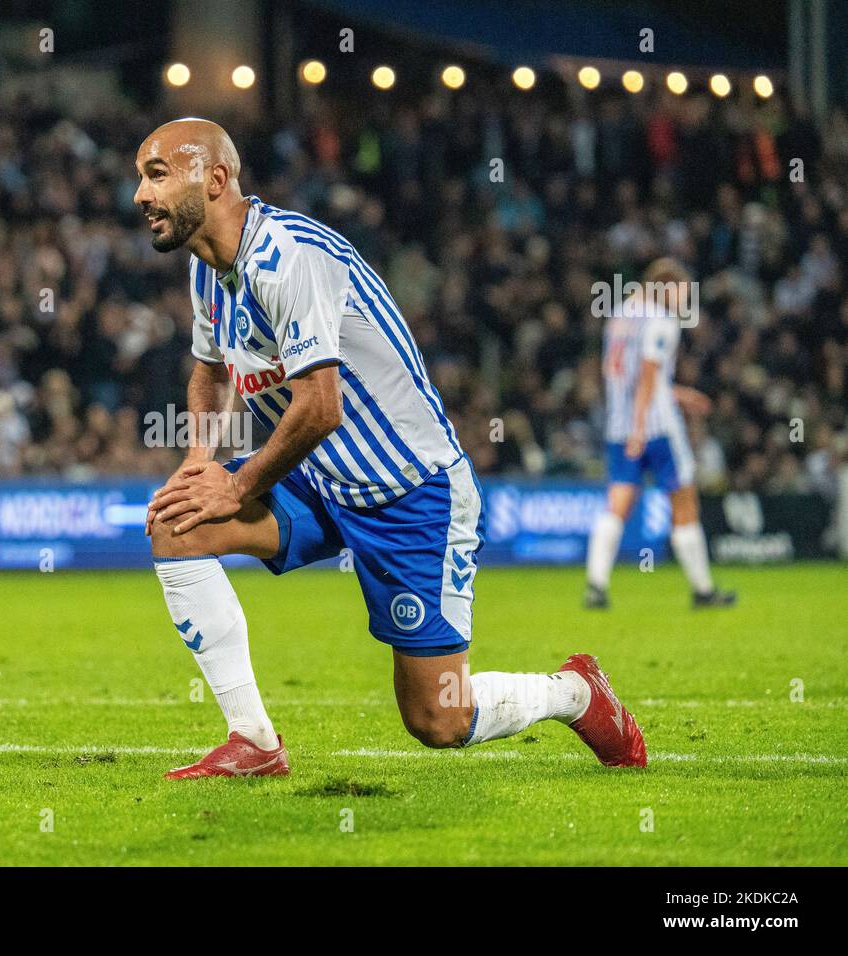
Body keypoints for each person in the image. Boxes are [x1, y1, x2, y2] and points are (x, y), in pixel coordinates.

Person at [135, 118, 647, 779]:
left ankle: (574, 692)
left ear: (215, 179)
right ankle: (255, 742)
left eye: (156, 175)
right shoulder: (208, 269)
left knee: (439, 720)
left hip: (412, 494)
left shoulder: (291, 258)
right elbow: (208, 370)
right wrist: (200, 462)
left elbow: (320, 407)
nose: (140, 196)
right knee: (177, 523)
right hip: (318, 481)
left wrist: (234, 486)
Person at [585, 258, 736, 610]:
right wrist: (641, 427)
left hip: (618, 427)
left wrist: (679, 394)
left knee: (617, 506)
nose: (685, 301)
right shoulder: (661, 320)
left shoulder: (620, 316)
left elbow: (628, 375)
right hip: (656, 429)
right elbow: (648, 374)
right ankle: (703, 590)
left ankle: (596, 585)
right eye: (682, 292)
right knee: (683, 504)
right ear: (665, 287)